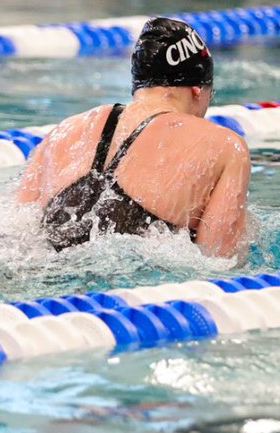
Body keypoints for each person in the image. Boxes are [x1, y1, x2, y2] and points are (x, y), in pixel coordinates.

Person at [16, 17, 251, 258]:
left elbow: (17, 230)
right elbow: (220, 260)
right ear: (197, 90)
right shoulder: (225, 147)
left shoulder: (63, 132)